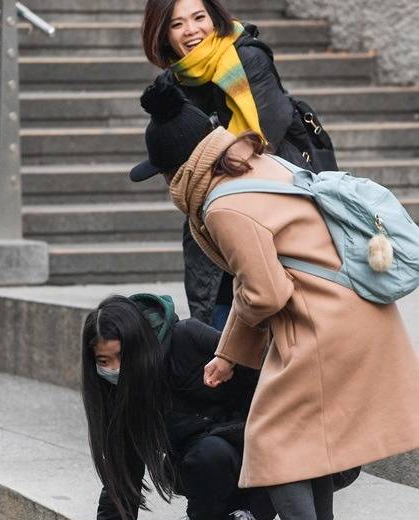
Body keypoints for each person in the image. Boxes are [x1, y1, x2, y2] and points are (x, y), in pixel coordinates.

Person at [129, 87, 419, 520]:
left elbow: (265, 292)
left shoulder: (223, 206)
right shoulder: (261, 167)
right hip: (351, 313)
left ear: (181, 169)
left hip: (321, 325)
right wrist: (228, 355)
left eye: (165, 174)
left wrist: (229, 350)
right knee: (311, 442)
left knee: (272, 439)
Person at [82, 293, 278, 520]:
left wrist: (217, 432)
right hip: (194, 464)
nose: (113, 369)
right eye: (103, 360)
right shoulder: (122, 392)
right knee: (204, 457)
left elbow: (264, 392)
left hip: (255, 445)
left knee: (213, 451)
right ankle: (205, 517)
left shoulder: (189, 339)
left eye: (120, 358)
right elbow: (121, 485)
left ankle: (252, 512)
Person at [136, 0, 337, 327]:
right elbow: (182, 167)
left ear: (214, 18)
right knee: (215, 321)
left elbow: (262, 139)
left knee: (283, 320)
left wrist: (205, 163)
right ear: (162, 35)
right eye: (177, 24)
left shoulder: (249, 58)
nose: (191, 30)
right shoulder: (171, 87)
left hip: (274, 200)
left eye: (199, 17)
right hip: (211, 212)